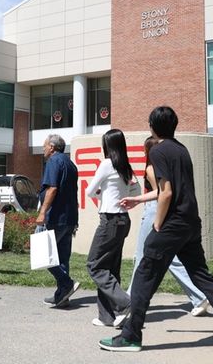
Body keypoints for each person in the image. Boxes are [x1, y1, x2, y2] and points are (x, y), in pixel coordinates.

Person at [99, 106, 213, 356]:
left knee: (143, 276)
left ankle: (130, 336)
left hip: (171, 224)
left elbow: (167, 192)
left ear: (153, 125)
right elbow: (174, 189)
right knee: (203, 277)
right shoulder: (181, 149)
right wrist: (140, 201)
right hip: (190, 223)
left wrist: (158, 225)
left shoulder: (159, 150)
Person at [121, 136, 209, 317]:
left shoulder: (151, 168)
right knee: (170, 258)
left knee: (142, 255)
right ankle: (199, 296)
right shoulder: (163, 166)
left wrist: (138, 201)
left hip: (154, 211)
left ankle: (130, 300)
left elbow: (160, 193)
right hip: (160, 211)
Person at [85, 129, 134, 327]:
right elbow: (134, 190)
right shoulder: (125, 166)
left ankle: (125, 303)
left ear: (108, 146)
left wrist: (100, 195)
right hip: (123, 220)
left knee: (94, 265)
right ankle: (107, 316)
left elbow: (89, 190)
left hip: (110, 220)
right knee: (111, 268)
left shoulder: (106, 164)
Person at [36, 134, 80, 308]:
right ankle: (62, 296)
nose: (43, 148)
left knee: (44, 256)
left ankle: (66, 283)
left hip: (55, 216)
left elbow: (52, 189)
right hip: (69, 217)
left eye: (45, 145)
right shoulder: (70, 164)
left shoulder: (53, 162)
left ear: (52, 147)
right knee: (62, 258)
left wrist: (42, 213)